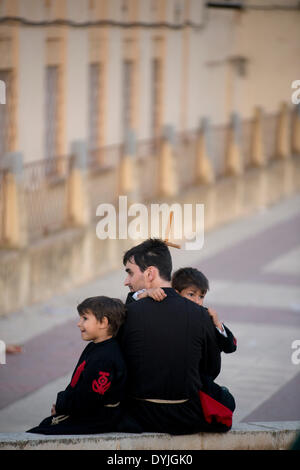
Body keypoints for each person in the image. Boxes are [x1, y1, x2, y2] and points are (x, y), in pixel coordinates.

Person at [119, 238, 235, 435]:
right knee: (225, 398)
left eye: (130, 272)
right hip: (186, 415)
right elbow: (211, 370)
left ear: (150, 273)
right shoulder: (200, 315)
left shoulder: (128, 313)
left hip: (137, 414)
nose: (126, 281)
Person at [27, 296, 127, 435]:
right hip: (83, 413)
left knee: (37, 434)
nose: (79, 324)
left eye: (85, 318)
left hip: (97, 420)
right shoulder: (94, 347)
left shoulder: (106, 358)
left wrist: (62, 406)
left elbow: (89, 401)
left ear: (103, 322)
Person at [133, 266, 237, 368]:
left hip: (201, 378)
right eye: (191, 294)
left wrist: (218, 324)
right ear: (176, 293)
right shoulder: (164, 309)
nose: (197, 301)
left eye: (201, 297)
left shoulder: (205, 316)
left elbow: (230, 347)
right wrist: (145, 294)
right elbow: (134, 310)